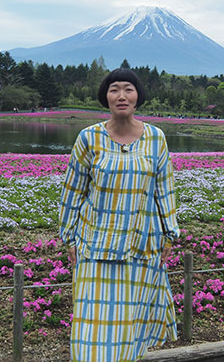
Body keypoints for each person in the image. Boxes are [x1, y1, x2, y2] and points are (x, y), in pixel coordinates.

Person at [58, 68, 180, 361]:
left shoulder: (155, 138)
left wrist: (169, 233)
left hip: (141, 246)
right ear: (105, 96)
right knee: (90, 331)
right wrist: (69, 237)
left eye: (128, 89)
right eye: (114, 89)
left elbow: (164, 189)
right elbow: (73, 190)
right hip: (95, 246)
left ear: (138, 96)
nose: (121, 96)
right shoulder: (89, 138)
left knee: (129, 330)